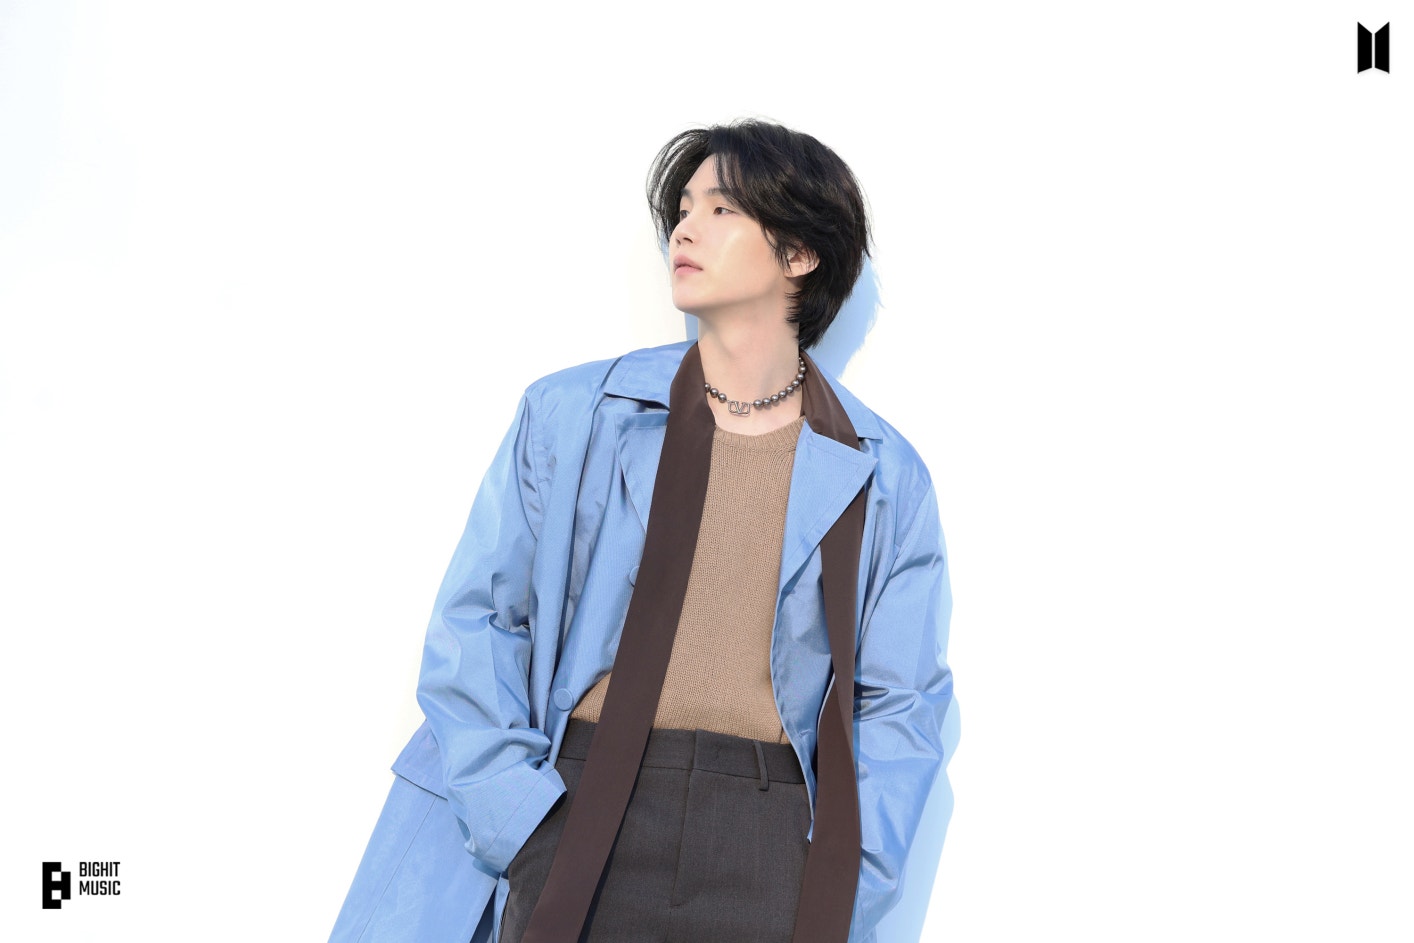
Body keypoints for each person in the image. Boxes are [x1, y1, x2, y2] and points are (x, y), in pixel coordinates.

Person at [329, 120, 955, 943]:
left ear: (801, 253)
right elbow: (477, 622)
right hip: (584, 805)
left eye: (722, 208)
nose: (686, 229)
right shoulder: (573, 415)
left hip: (769, 837)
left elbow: (902, 703)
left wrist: (844, 879)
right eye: (683, 208)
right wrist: (521, 820)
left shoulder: (884, 473)